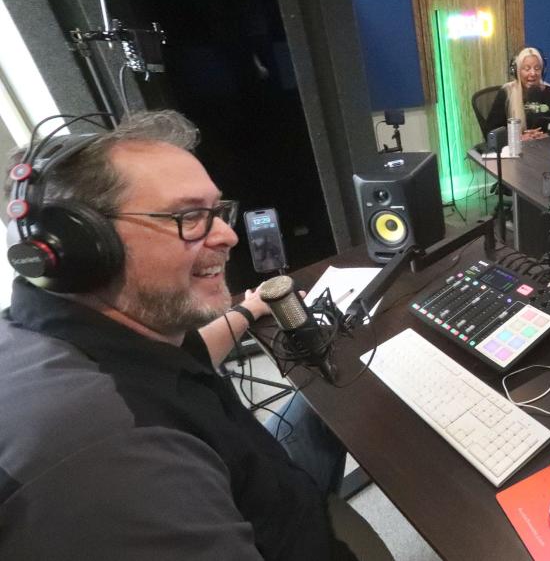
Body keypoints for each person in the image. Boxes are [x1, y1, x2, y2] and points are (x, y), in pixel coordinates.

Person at [0, 111, 354, 559]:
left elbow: (174, 364)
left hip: (255, 484)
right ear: (86, 247)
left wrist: (248, 309)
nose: (227, 235)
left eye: (218, 211)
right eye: (189, 216)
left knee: (323, 403)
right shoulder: (118, 461)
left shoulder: (59, 326)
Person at [486, 46, 550, 139]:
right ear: (517, 71)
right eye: (527, 68)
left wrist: (544, 135)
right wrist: (520, 138)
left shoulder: (547, 92)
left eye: (537, 68)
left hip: (540, 146)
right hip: (513, 147)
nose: (533, 73)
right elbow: (491, 131)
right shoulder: (506, 93)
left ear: (543, 71)